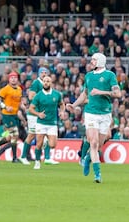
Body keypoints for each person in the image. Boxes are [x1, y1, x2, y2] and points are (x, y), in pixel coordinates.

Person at [66, 52, 121, 183]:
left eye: (94, 60)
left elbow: (117, 93)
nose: (91, 62)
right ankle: (97, 175)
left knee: (100, 143)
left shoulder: (110, 75)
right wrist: (74, 105)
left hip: (105, 114)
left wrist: (101, 92)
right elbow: (84, 95)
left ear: (101, 61)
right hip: (91, 114)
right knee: (94, 143)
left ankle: (87, 159)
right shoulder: (88, 76)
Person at [20, 66, 58, 165]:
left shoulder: (46, 83)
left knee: (46, 135)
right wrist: (41, 97)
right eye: (42, 73)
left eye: (45, 73)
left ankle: (47, 157)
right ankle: (23, 156)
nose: (44, 74)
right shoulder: (36, 83)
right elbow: (31, 96)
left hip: (43, 114)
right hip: (34, 114)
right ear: (39, 74)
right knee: (32, 134)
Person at [28, 74, 62, 170]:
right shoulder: (38, 95)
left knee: (53, 145)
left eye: (48, 81)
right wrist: (38, 114)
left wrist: (62, 112)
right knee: (38, 144)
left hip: (52, 124)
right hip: (41, 123)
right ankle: (37, 162)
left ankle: (46, 141)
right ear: (42, 83)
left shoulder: (57, 94)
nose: (46, 82)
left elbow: (62, 104)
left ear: (51, 83)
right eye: (44, 81)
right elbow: (30, 109)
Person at [0, 72, 24, 162]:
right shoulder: (5, 89)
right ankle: (14, 158)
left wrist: (22, 106)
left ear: (17, 79)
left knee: (9, 137)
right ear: (9, 79)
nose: (13, 79)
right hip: (7, 115)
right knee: (15, 134)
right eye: (12, 78)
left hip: (15, 114)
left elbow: (18, 101)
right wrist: (5, 106)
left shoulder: (19, 89)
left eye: (15, 77)